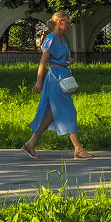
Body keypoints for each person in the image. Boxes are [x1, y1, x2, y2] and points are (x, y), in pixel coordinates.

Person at [20, 11, 93, 160]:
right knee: (69, 111)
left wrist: (67, 61)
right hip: (55, 79)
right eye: (67, 22)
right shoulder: (51, 38)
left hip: (62, 76)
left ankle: (30, 144)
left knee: (50, 115)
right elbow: (43, 62)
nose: (69, 25)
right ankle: (78, 149)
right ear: (60, 22)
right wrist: (38, 82)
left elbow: (57, 58)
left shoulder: (61, 38)